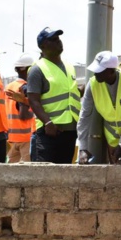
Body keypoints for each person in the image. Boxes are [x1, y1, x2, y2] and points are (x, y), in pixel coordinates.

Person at [78, 51, 121, 165]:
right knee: (116, 173)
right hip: (112, 137)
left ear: (111, 71)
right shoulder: (93, 84)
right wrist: (82, 148)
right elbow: (84, 116)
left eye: (99, 71)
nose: (95, 74)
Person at [27, 27, 81, 164]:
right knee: (44, 175)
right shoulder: (37, 69)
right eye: (53, 39)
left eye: (58, 38)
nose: (58, 42)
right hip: (49, 131)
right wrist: (48, 122)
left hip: (69, 130)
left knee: (64, 174)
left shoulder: (69, 66)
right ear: (43, 46)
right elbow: (34, 101)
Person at [4, 54, 35, 163]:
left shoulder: (9, 86)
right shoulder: (24, 87)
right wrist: (36, 114)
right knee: (29, 172)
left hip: (12, 137)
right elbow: (23, 115)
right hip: (26, 137)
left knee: (11, 172)